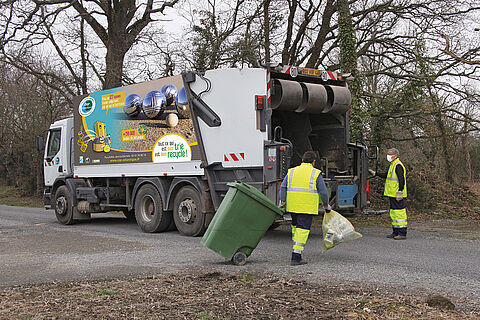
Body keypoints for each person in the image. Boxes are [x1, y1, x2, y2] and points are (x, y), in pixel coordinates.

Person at [280, 151, 330, 266]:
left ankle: (296, 250)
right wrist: (326, 205)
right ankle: (296, 256)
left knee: (296, 228)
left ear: (302, 160)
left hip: (292, 206)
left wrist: (282, 201)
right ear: (313, 162)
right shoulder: (316, 173)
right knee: (302, 230)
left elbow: (283, 187)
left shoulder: (291, 171)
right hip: (306, 207)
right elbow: (323, 192)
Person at [369, 148, 407, 240]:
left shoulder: (398, 165)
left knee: (399, 213)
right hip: (392, 194)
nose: (388, 156)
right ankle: (395, 232)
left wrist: (400, 191)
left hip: (397, 194)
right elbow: (386, 175)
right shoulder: (393, 165)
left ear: (395, 155)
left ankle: (402, 233)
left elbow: (401, 180)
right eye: (388, 154)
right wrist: (376, 173)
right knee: (394, 213)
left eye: (390, 154)